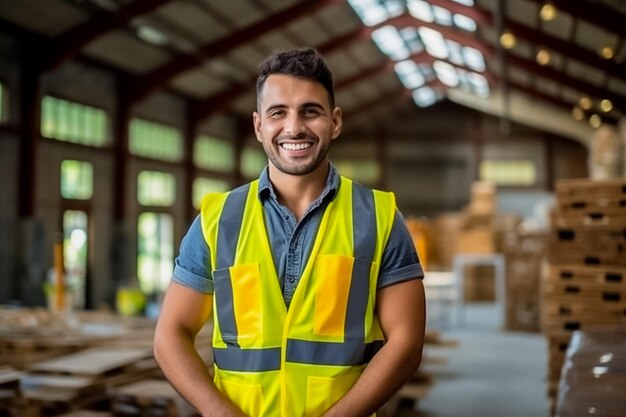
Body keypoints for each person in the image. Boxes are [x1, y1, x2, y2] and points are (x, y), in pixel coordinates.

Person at [154, 47, 426, 417]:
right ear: (258, 126)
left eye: (310, 111)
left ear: (335, 121)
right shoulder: (216, 220)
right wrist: (219, 412)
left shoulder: (379, 217)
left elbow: (406, 342)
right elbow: (171, 334)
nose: (294, 127)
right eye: (278, 112)